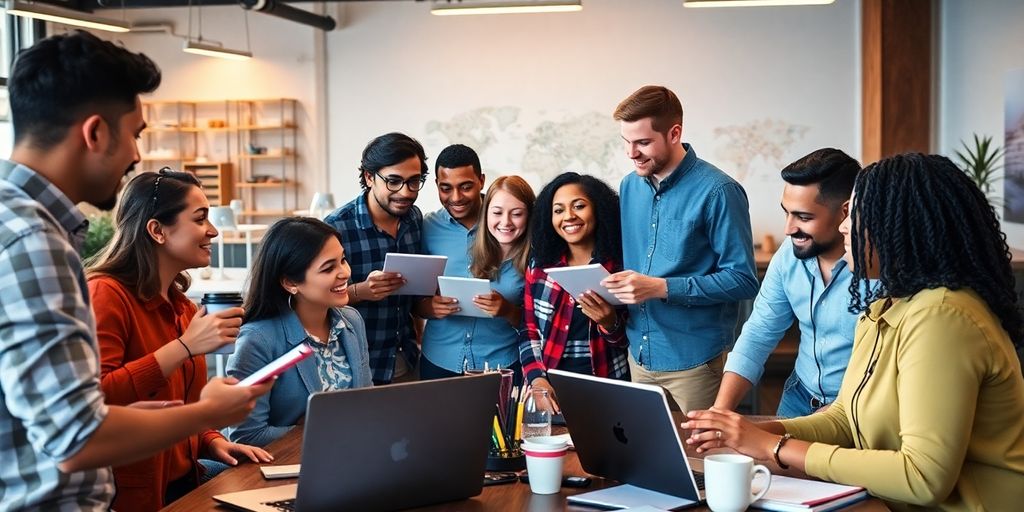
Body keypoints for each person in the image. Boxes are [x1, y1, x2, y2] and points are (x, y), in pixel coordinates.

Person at [0, 31, 269, 510]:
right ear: (96, 132)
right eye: (136, 133)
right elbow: (77, 438)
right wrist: (205, 412)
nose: (138, 155)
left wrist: (188, 426)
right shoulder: (34, 242)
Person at [683, 153, 1024, 510]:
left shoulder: (942, 318)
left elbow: (924, 478)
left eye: (856, 215)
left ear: (897, 229)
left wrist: (775, 447)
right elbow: (846, 415)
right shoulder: (882, 306)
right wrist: (757, 434)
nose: (845, 226)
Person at [87, 169, 272, 510]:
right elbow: (95, 399)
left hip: (185, 481)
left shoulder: (183, 308)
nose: (213, 231)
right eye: (200, 218)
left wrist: (212, 440)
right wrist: (184, 347)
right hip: (129, 496)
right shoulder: (106, 295)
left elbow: (182, 409)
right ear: (157, 230)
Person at [603, 85, 758, 411]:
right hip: (640, 354)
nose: (632, 153)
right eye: (626, 142)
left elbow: (743, 279)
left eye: (643, 142)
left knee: (703, 459)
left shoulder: (720, 191)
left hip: (696, 361)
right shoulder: (629, 186)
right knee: (652, 456)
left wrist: (661, 288)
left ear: (675, 133)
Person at [714, 149, 860, 418]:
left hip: (857, 407)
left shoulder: (879, 270)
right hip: (799, 396)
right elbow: (759, 333)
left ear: (845, 212)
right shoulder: (787, 256)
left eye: (803, 217)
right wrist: (720, 412)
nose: (788, 229)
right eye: (786, 213)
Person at [226, 218, 373, 447]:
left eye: (342, 260)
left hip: (352, 456)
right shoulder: (257, 340)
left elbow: (366, 403)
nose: (344, 273)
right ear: (290, 282)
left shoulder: (352, 321)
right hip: (288, 469)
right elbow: (247, 436)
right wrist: (320, 431)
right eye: (328, 268)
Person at [417, 145, 532, 378]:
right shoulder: (426, 228)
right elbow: (413, 300)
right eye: (446, 188)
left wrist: (508, 310)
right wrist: (429, 307)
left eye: (466, 187)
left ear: (481, 181)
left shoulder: (505, 226)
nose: (456, 197)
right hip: (439, 359)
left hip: (501, 362)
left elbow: (537, 320)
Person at [323, 132, 427, 385]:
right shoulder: (336, 228)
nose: (405, 192)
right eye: (393, 181)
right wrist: (361, 291)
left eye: (414, 182)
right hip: (355, 366)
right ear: (369, 177)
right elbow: (311, 301)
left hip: (406, 359)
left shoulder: (413, 219)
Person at [519, 172, 630, 404]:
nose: (568, 216)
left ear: (598, 209)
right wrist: (537, 380)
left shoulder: (620, 267)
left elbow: (631, 341)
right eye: (558, 210)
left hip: (608, 388)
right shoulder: (539, 266)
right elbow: (529, 330)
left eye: (579, 206)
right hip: (552, 392)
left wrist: (610, 323)